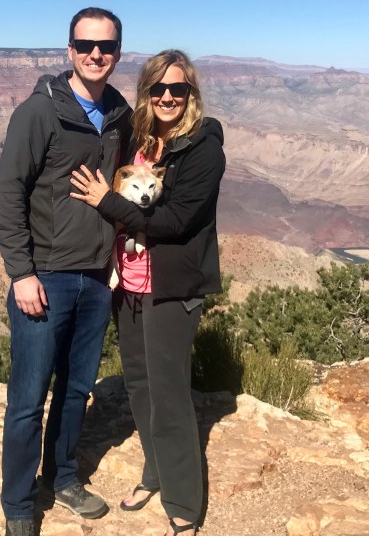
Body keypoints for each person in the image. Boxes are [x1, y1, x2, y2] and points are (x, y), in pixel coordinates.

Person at [70, 49, 225, 536]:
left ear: (190, 94)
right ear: (147, 93)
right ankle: (155, 473)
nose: (167, 97)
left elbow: (174, 221)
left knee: (169, 392)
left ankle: (183, 502)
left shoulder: (202, 148)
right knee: (138, 384)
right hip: (130, 284)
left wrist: (108, 201)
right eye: (158, 88)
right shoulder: (139, 139)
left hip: (171, 287)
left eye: (178, 89)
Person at [0, 7, 131, 536]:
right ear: (70, 50)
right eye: (86, 45)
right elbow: (6, 191)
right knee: (28, 399)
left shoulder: (118, 113)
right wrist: (21, 273)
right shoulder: (39, 112)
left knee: (76, 390)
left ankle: (63, 478)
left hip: (95, 278)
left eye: (106, 46)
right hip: (45, 277)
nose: (96, 54)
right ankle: (18, 505)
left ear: (118, 53)